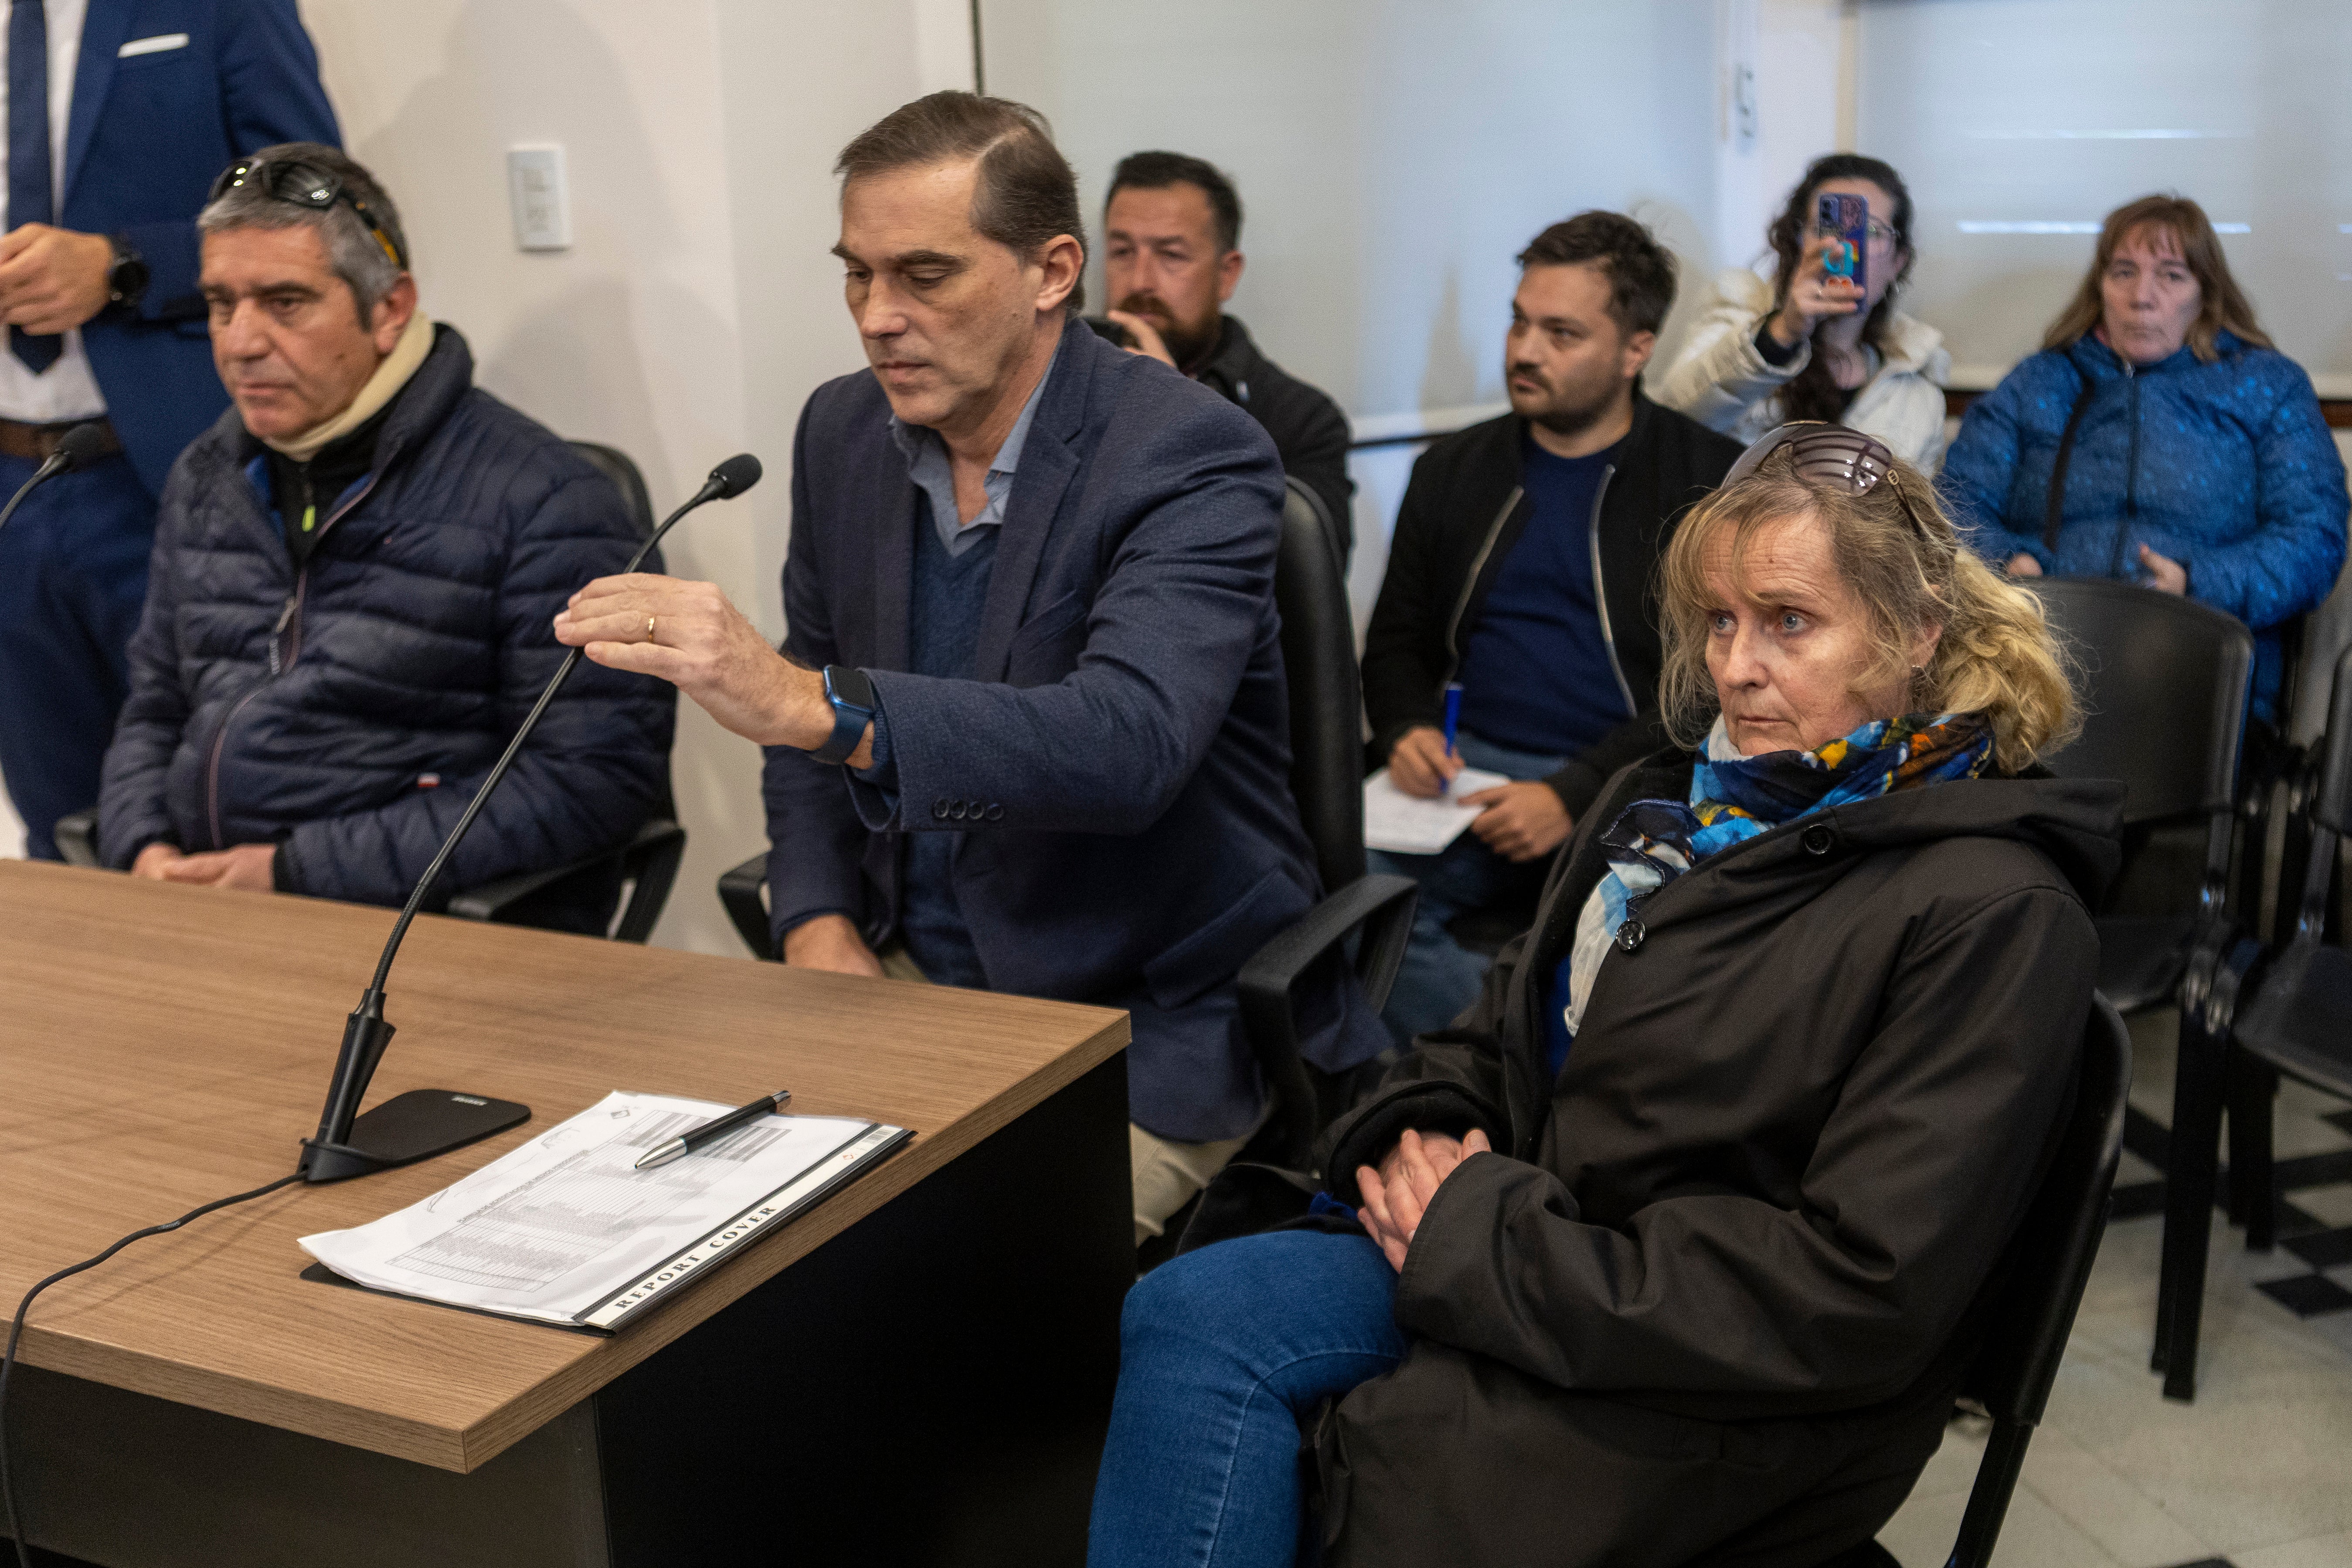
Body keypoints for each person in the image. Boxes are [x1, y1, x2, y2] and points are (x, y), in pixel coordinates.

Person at [1086, 424, 2120, 1568]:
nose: (1734, 665)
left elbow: (1849, 1296)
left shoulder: (1990, 912)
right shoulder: (1667, 811)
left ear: (1917, 632)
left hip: (1709, 1386)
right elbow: (1494, 1033)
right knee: (1188, 1311)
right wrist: (1416, 1139)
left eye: (1788, 620)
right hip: (1532, 1254)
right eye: (1719, 621)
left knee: (1373, 1479)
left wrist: (1475, 1232)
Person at [551, 93, 1386, 1245]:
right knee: (663, 1236)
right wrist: (815, 917)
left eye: (925, 276)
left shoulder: (1188, 449)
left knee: (941, 1294)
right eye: (856, 274)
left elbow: (1125, 743)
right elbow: (805, 700)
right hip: (901, 980)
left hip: (1134, 1020)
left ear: (1052, 270)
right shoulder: (840, 431)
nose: (877, 319)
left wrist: (808, 703)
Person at [97, 145, 673, 927]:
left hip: (409, 931)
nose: (239, 342)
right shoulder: (209, 475)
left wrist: (295, 871)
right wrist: (141, 847)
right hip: (206, 917)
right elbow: (156, 707)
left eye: (285, 302)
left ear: (390, 308)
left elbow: (589, 779)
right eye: (222, 303)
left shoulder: (547, 499)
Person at [1359, 211, 1742, 1044]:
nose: (1525, 350)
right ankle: (1507, 1054)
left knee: (1656, 961)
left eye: (1561, 333)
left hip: (1630, 781)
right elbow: (1394, 643)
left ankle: (1494, 1068)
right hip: (1459, 775)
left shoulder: (1705, 485)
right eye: (1519, 321)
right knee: (1333, 896)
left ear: (1636, 350)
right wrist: (1405, 728)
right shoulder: (1453, 470)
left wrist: (1574, 793)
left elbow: (1712, 687)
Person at [0, 0, 338, 861]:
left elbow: (318, 206)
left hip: (168, 473)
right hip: (10, 493)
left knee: (218, 816)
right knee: (60, 831)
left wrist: (121, 265)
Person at [1941, 193, 2347, 720]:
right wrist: (2008, 565)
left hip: (2197, 660)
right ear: (2099, 288)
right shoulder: (2039, 382)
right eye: (2123, 272)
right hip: (2039, 647)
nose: (2141, 296)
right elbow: (1954, 506)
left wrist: (2194, 583)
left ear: (2205, 293)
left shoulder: (2266, 385)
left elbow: (2312, 537)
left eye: (2171, 276)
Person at [1094, 150, 1355, 557]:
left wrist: (1175, 412)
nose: (1140, 281)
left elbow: (1299, 579)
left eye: (1171, 255)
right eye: (1123, 252)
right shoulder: (1065, 387)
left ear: (1226, 274)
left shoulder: (1300, 421)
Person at [1659, 153, 1950, 470]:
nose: (1844, 247)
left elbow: (1908, 516)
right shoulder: (1738, 311)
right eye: (1827, 227)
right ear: (1797, 243)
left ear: (1898, 261)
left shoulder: (1917, 395)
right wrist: (1781, 334)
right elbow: (1674, 417)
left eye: (1870, 231)